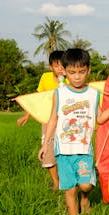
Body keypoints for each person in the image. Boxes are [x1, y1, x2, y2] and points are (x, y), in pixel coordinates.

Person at [38, 48, 109, 215]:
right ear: (65, 71)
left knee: (85, 186)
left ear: (88, 70)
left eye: (81, 72)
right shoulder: (60, 93)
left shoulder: (93, 94)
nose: (77, 77)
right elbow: (53, 119)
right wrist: (46, 144)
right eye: (72, 72)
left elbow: (99, 119)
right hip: (63, 151)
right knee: (70, 189)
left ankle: (85, 198)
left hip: (84, 150)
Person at [17, 50, 67, 190]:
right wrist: (27, 115)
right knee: (48, 151)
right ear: (51, 67)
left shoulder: (70, 79)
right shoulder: (45, 78)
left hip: (66, 122)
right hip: (47, 120)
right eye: (57, 66)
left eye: (63, 65)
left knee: (66, 151)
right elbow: (38, 99)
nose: (61, 68)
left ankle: (66, 180)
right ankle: (56, 182)